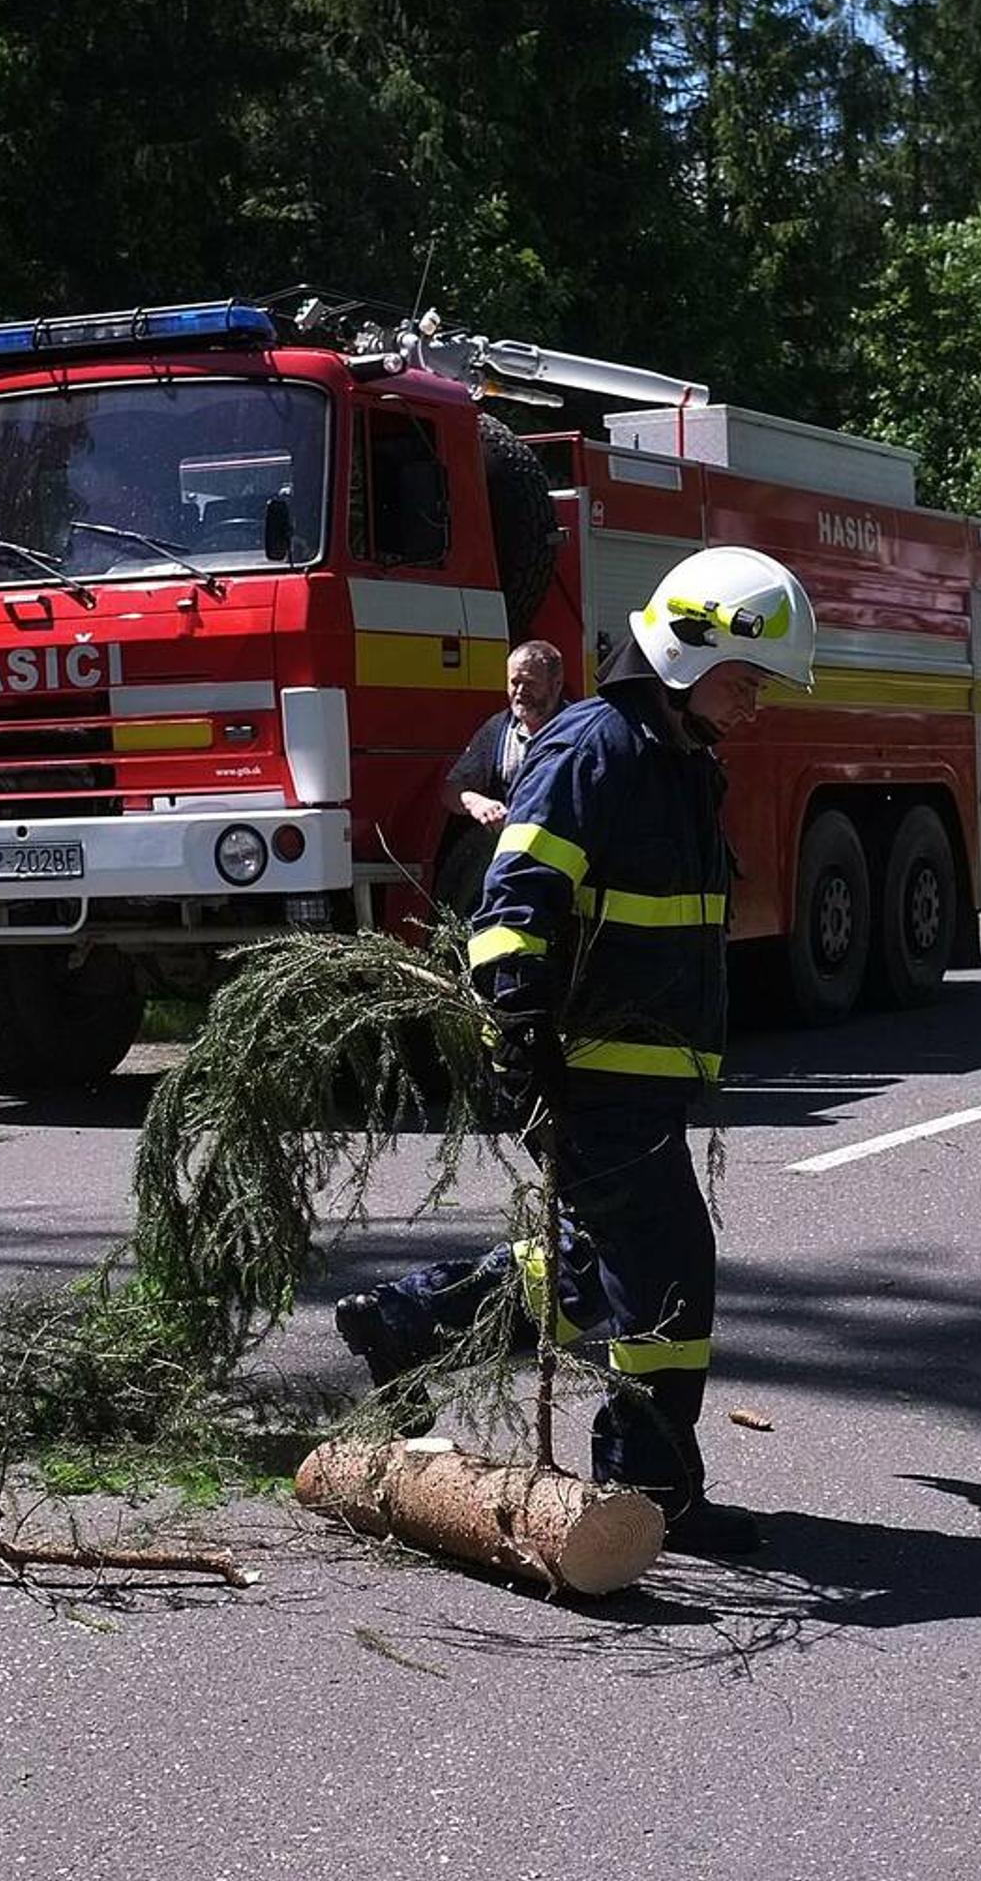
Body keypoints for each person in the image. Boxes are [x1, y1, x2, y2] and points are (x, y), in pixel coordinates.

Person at [337, 545, 817, 1558]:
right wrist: (520, 1036)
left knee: (603, 1269)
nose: (757, 707)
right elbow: (515, 908)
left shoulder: (679, 761)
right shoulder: (590, 751)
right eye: (747, 681)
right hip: (587, 1072)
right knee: (669, 1275)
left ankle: (410, 1322)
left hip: (636, 1076)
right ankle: (646, 1485)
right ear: (686, 653)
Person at [434, 641, 566, 915]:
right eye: (514, 682)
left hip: (563, 868)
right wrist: (476, 803)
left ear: (556, 684)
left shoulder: (582, 730)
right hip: (506, 866)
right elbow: (451, 789)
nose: (519, 692)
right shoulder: (498, 730)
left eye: (529, 683)